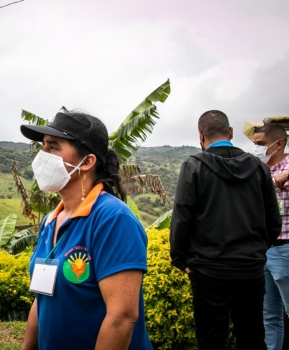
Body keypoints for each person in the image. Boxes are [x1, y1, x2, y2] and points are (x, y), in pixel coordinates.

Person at [20, 110, 153, 350]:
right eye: (43, 147)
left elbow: (121, 317)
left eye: (53, 146)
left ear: (88, 161)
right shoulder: (51, 221)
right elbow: (41, 301)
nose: (42, 155)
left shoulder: (112, 219)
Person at [170, 110, 281, 350]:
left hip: (208, 271)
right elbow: (273, 219)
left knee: (211, 341)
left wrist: (180, 258)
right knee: (252, 337)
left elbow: (182, 217)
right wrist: (258, 250)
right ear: (230, 133)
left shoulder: (193, 166)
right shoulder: (258, 167)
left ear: (200, 136)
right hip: (250, 269)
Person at [253, 123, 289, 350]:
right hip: (264, 250)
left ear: (278, 144)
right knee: (270, 317)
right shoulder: (259, 170)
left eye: (260, 144)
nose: (256, 149)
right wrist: (275, 182)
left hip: (286, 248)